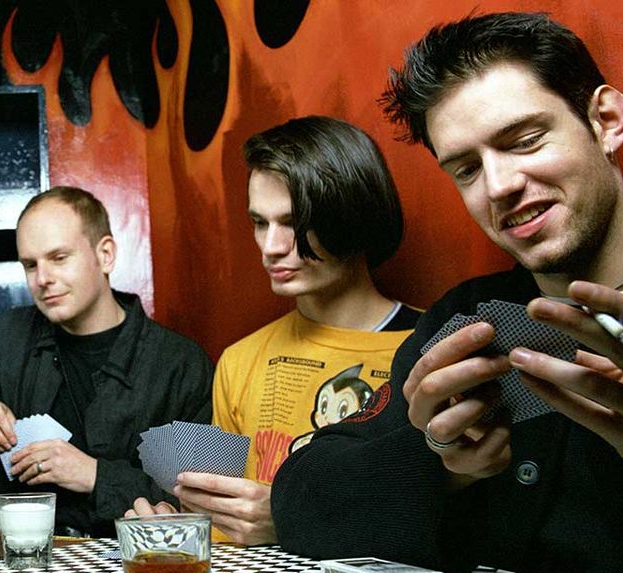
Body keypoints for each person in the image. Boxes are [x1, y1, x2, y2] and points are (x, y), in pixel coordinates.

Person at [270, 12, 623, 573]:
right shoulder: (468, 322)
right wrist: (443, 465)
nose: (498, 185)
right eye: (466, 168)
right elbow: (301, 499)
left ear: (606, 121)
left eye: (524, 141)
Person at [129, 117, 419, 545]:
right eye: (260, 223)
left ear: (352, 214)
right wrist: (178, 532)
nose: (271, 246)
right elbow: (227, 525)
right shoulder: (240, 360)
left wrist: (291, 518)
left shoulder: (427, 348)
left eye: (295, 222)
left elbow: (440, 521)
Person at [0, 186, 213, 538]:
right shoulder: (9, 334)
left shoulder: (180, 364)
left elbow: (195, 501)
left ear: (106, 254)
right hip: (18, 562)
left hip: (121, 569)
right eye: (30, 265)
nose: (43, 278)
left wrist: (94, 475)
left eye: (59, 257)